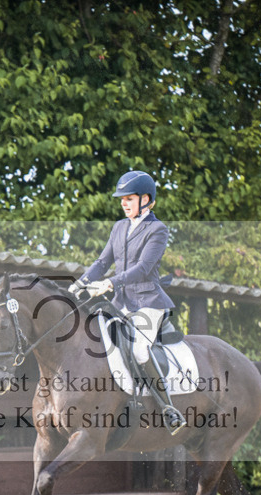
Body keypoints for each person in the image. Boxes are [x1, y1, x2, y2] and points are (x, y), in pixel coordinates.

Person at [70, 170, 186, 434]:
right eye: (122, 199)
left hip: (148, 302)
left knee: (139, 351)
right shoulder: (119, 227)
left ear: (147, 200)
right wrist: (80, 283)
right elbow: (102, 262)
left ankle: (168, 408)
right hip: (121, 302)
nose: (123, 203)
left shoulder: (157, 229)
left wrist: (110, 283)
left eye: (129, 199)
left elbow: (144, 267)